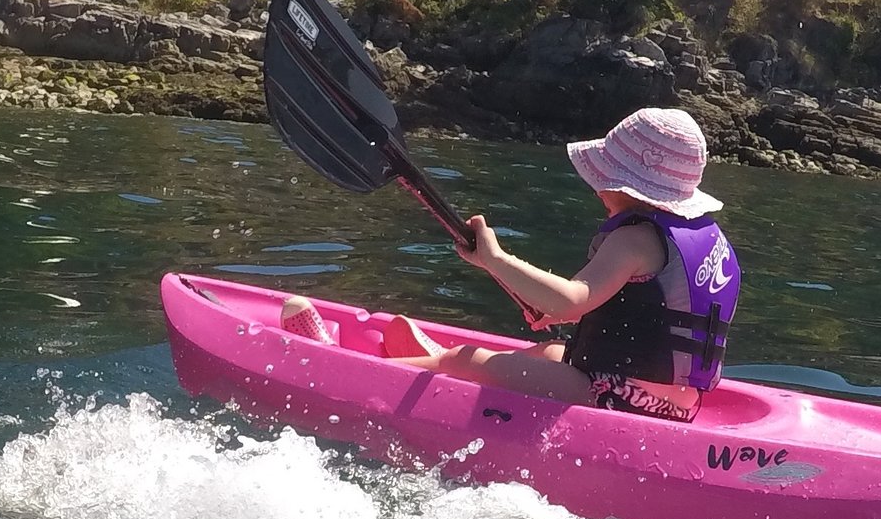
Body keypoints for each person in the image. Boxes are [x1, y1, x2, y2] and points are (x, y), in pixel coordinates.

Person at [282, 106, 739, 420]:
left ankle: (344, 370)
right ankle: (431, 361)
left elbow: (572, 301)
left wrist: (495, 259)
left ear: (627, 186)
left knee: (469, 358)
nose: (597, 188)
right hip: (676, 402)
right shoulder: (698, 238)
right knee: (547, 353)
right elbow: (637, 314)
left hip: (618, 399)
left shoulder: (634, 239)